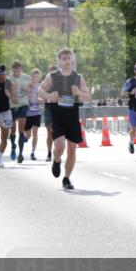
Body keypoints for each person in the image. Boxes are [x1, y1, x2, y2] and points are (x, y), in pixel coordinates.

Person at [39, 48, 91, 190]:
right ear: (59, 61)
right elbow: (40, 90)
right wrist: (50, 97)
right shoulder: (53, 76)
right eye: (64, 58)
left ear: (72, 59)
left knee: (72, 151)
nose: (67, 61)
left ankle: (66, 178)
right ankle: (56, 160)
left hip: (73, 118)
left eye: (69, 58)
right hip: (58, 119)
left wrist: (79, 92)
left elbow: (88, 96)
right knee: (60, 147)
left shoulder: (78, 77)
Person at [8, 60, 31, 162]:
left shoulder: (26, 77)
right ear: (12, 69)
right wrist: (11, 96)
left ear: (20, 69)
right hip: (12, 106)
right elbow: (6, 91)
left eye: (18, 68)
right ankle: (13, 147)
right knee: (13, 129)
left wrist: (27, 91)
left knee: (21, 127)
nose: (16, 70)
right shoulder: (8, 78)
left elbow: (30, 89)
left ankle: (20, 154)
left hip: (23, 104)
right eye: (14, 68)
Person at [24, 69, 44, 160]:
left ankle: (33, 152)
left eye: (37, 76)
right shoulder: (28, 86)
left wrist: (40, 100)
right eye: (34, 76)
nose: (36, 78)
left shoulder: (40, 87)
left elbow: (42, 99)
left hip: (37, 112)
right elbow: (24, 97)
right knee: (28, 135)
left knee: (35, 132)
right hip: (28, 113)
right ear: (31, 77)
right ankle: (24, 138)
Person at [42, 64, 57, 161]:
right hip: (48, 109)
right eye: (50, 71)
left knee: (57, 133)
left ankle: (57, 151)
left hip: (58, 110)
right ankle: (49, 153)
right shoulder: (45, 84)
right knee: (49, 133)